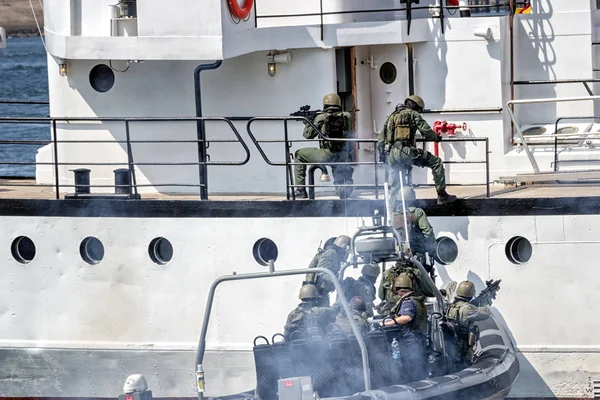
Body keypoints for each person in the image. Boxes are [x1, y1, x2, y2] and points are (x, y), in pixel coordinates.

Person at [377, 95, 456, 206]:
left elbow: (380, 140)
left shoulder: (392, 116)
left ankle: (393, 207)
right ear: (416, 107)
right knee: (436, 162)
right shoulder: (413, 114)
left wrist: (382, 154)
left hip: (392, 155)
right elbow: (426, 131)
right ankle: (442, 195)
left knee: (395, 185)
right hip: (407, 153)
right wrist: (436, 137)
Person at [294, 93, 354, 199]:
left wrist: (309, 122)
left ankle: (300, 190)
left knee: (299, 155)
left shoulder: (321, 117)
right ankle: (345, 191)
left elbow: (308, 135)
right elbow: (350, 133)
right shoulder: (347, 116)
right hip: (342, 156)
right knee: (341, 187)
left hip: (327, 154)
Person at [383, 274, 428, 382]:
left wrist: (387, 323)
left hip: (409, 341)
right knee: (418, 368)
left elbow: (407, 317)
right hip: (417, 339)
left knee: (411, 369)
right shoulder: (416, 300)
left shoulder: (407, 301)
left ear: (400, 290)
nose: (397, 294)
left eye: (397, 292)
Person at [445, 280, 491, 370]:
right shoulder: (468, 308)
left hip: (452, 343)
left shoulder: (451, 306)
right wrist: (485, 303)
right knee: (464, 368)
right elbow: (486, 314)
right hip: (463, 345)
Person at [304, 235, 351, 306]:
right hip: (318, 295)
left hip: (317, 294)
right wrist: (338, 281)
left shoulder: (331, 254)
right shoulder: (331, 254)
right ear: (343, 248)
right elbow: (322, 272)